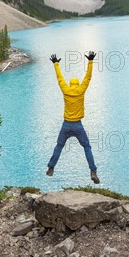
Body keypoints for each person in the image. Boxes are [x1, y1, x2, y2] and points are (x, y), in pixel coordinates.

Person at [46, 51, 100, 184]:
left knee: (59, 146)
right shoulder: (81, 90)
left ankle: (51, 168)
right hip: (78, 125)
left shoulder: (65, 90)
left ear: (70, 84)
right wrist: (91, 61)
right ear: (77, 84)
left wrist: (56, 64)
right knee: (87, 147)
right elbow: (88, 77)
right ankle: (93, 171)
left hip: (66, 125)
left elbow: (60, 78)